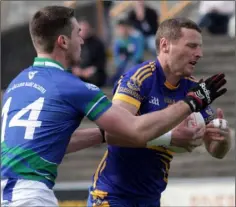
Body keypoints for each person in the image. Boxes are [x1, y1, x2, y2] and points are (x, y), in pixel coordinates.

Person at [1, 6, 226, 207]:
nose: (82, 40)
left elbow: (50, 143)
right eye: (78, 33)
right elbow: (131, 130)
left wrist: (222, 137)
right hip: (42, 196)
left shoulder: (17, 84)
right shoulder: (73, 87)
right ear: (63, 41)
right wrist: (191, 104)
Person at [86, 18, 231, 207]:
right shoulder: (140, 78)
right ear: (165, 45)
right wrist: (170, 137)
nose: (199, 54)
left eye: (200, 47)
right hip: (111, 196)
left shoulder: (194, 90)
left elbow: (216, 150)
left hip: (151, 200)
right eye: (191, 46)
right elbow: (113, 132)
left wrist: (223, 138)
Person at [71, 19, 107, 87]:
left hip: (93, 72)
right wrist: (77, 70)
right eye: (82, 30)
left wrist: (91, 70)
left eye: (86, 29)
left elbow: (101, 61)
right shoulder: (73, 43)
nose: (84, 31)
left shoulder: (97, 43)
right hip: (76, 71)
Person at [110, 19, 144, 85]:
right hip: (122, 67)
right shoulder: (117, 43)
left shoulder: (136, 40)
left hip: (134, 65)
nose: (123, 30)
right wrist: (123, 60)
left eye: (124, 28)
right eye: (120, 29)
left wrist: (131, 60)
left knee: (131, 66)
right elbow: (116, 59)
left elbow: (138, 55)